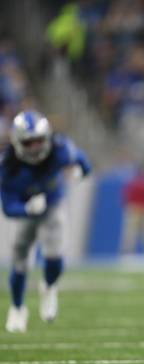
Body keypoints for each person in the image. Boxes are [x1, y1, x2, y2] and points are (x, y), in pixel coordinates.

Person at [1, 110, 91, 333]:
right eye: (28, 142)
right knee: (20, 259)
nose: (35, 148)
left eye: (39, 141)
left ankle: (49, 287)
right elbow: (8, 208)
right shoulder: (8, 166)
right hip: (26, 210)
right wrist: (26, 208)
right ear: (18, 141)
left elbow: (83, 163)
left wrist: (79, 172)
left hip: (53, 204)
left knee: (55, 256)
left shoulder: (60, 150)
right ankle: (17, 308)